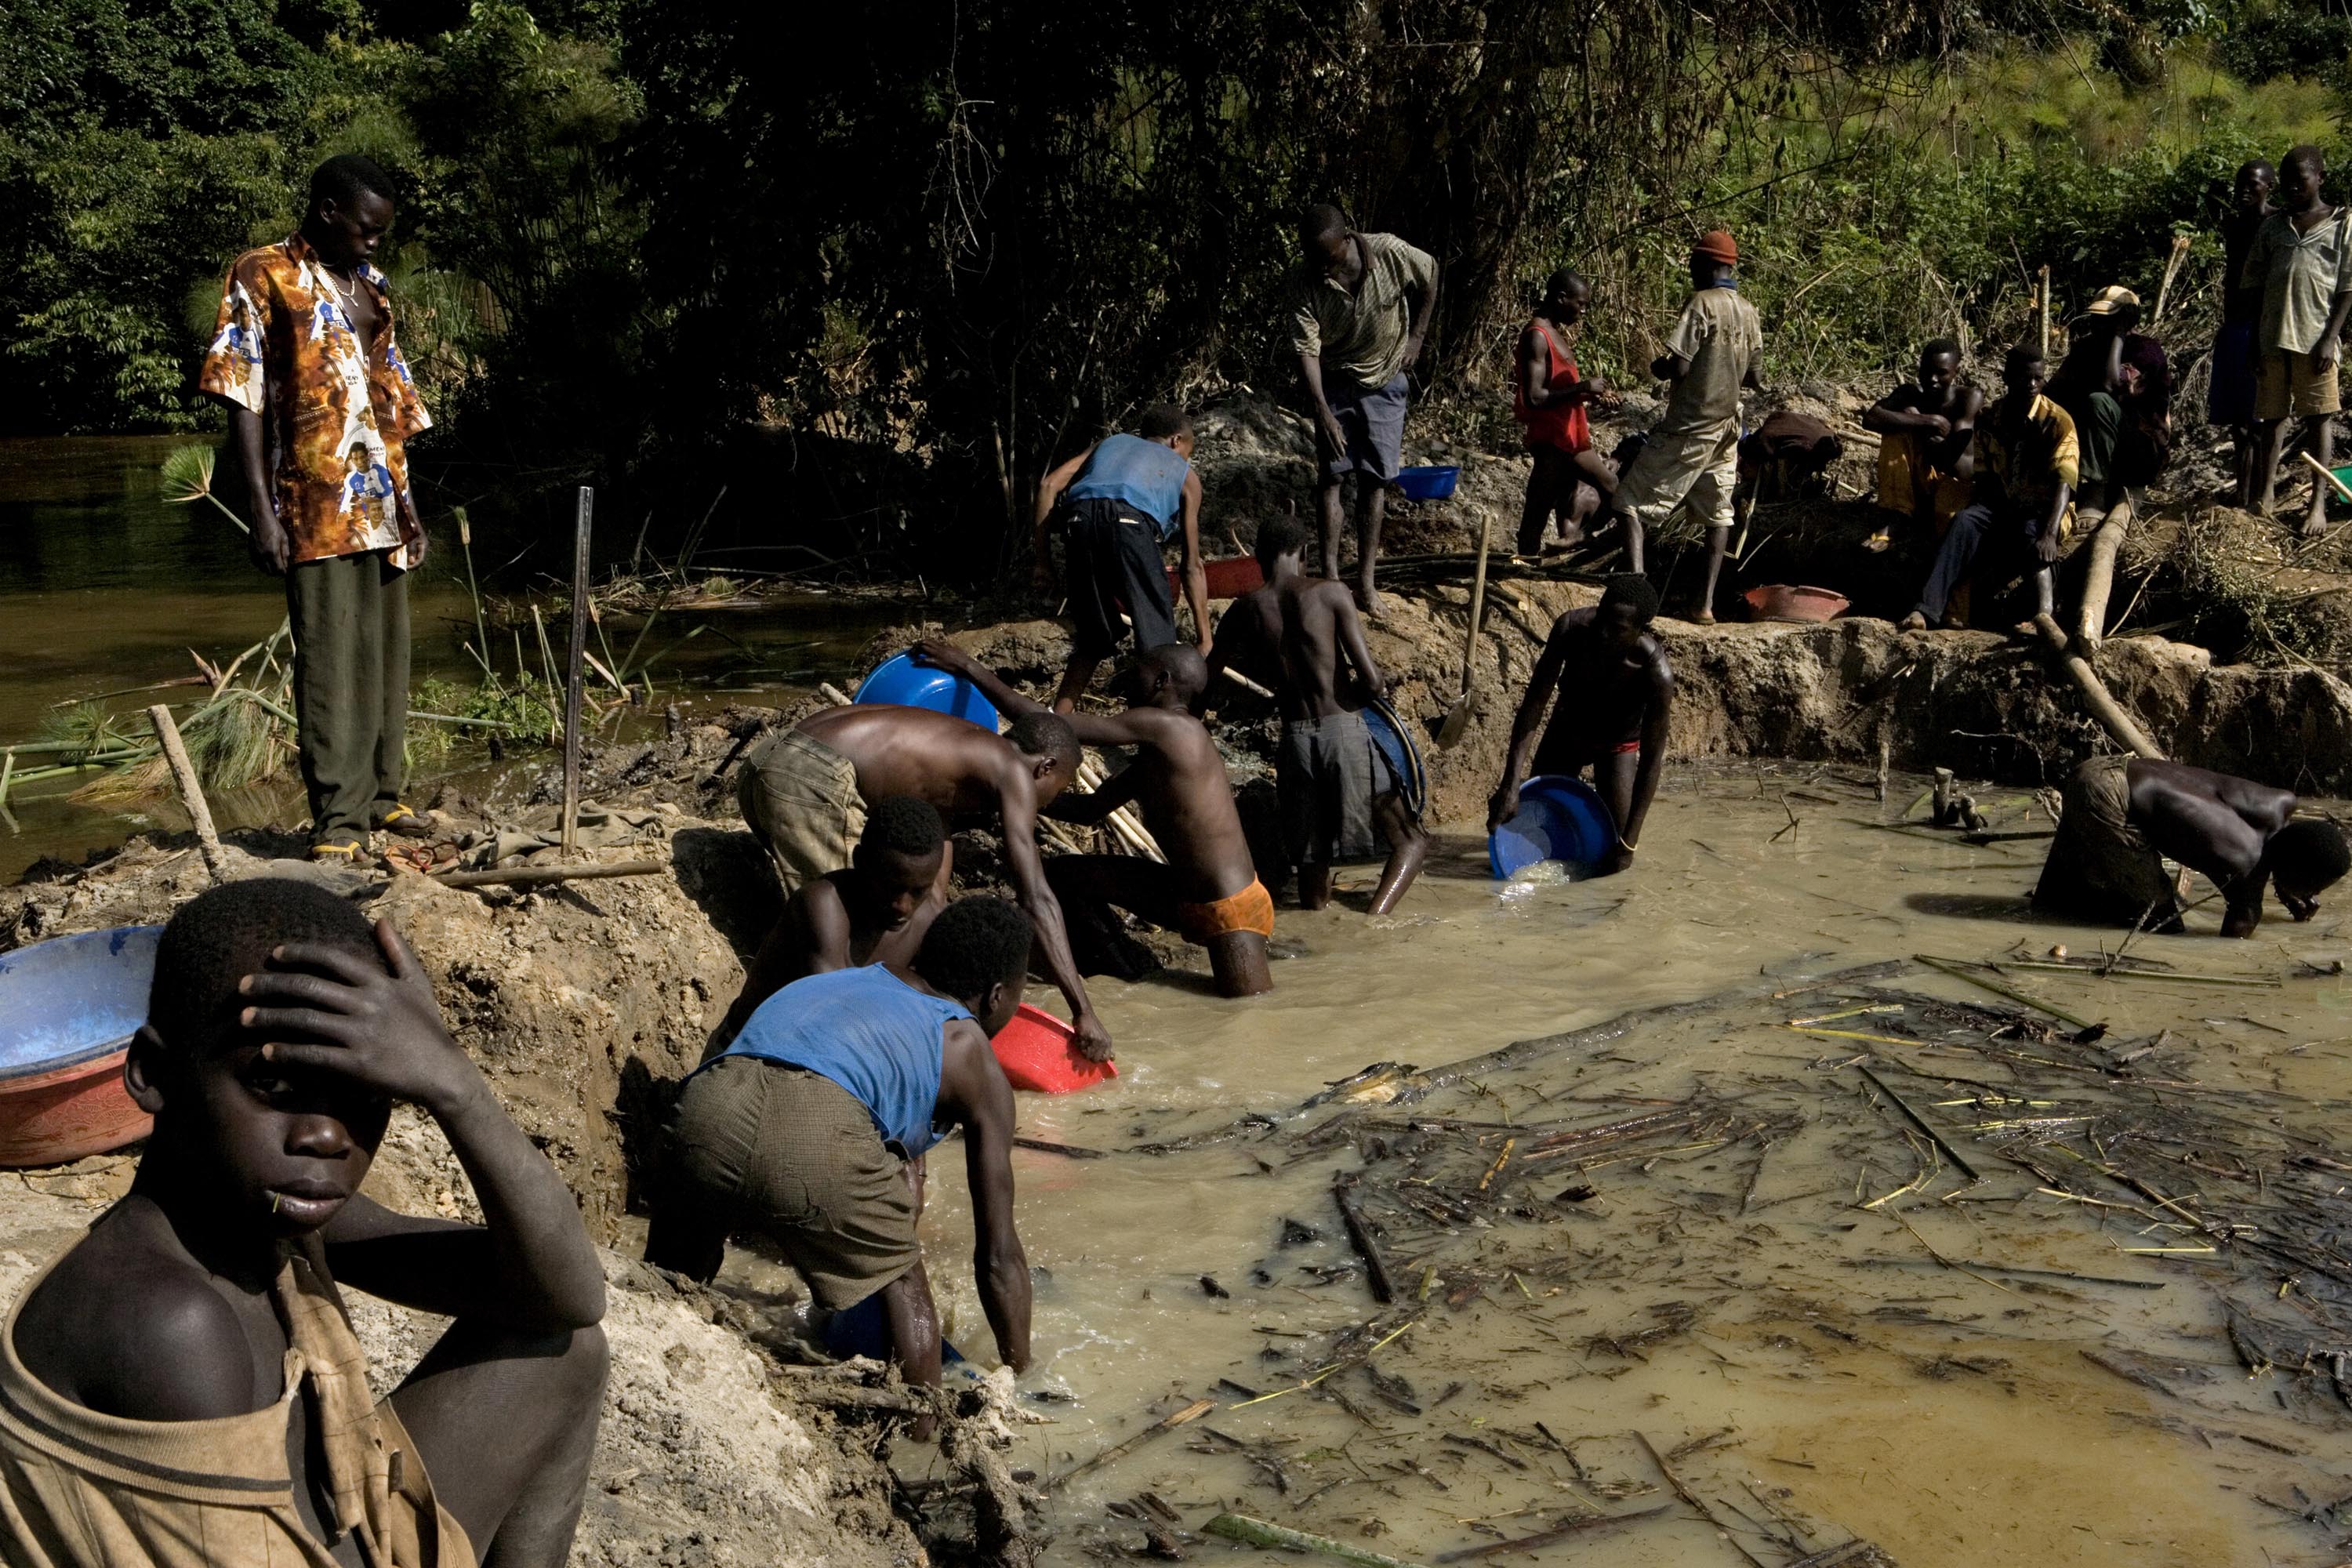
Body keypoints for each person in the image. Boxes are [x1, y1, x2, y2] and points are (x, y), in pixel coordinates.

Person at [0, 878, 608, 1568]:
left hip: (336, 1536)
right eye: (275, 1089)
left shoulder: (258, 1219)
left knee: (563, 1351)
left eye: (369, 1096)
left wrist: (455, 1085)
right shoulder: (168, 1321)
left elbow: (567, 1297)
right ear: (152, 1073)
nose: (325, 1136)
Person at [644, 897, 1033, 1411]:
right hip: (814, 1129)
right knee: (904, 1282)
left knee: (671, 1280)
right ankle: (921, 1442)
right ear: (997, 996)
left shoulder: (838, 982)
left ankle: (647, 1368)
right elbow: (999, 1255)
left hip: (704, 1108)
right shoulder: (966, 1045)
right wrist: (1018, 1371)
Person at [199, 155, 437, 863]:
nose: (373, 243)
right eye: (366, 229)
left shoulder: (372, 286)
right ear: (329, 210)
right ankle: (339, 820)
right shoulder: (263, 273)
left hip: (382, 495)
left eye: (381, 233)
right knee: (331, 658)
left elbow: (391, 398)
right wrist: (261, 511)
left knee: (385, 654)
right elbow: (242, 391)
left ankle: (384, 796)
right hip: (314, 499)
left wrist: (411, 502)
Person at [736, 702, 1113, 1059]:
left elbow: (933, 901)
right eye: (1060, 789)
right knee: (855, 925)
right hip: (809, 773)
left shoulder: (959, 760)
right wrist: (1083, 1011)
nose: (1048, 803)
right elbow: (1037, 897)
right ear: (1044, 768)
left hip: (769, 758)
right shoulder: (1012, 769)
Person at [918, 638, 1274, 998]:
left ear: (1161, 681)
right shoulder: (1159, 755)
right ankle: (1128, 977)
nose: (1126, 685)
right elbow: (1089, 811)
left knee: (1247, 1009)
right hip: (1182, 892)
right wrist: (1006, 798)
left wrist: (969, 667)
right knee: (1064, 876)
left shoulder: (1172, 728)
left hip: (1230, 907)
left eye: (1138, 673)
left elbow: (1047, 723)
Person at [1206, 515, 1429, 914]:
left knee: (1311, 860)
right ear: (1304, 553)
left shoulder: (1243, 610)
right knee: (1410, 840)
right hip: (1343, 732)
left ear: (1258, 557)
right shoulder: (1330, 593)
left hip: (1295, 741)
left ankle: (1319, 920)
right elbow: (1374, 682)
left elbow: (1207, 681)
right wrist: (1359, 693)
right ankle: (1374, 922)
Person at [1602, 230, 1763, 624]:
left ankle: (1636, 593)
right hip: (1727, 427)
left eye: (1693, 263)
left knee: (1628, 502)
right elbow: (1755, 377)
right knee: (1718, 516)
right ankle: (1704, 605)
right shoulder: (1748, 310)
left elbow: (1680, 366)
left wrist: (1661, 367)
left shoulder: (1701, 303)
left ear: (1709, 265)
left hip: (1691, 426)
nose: (1690, 270)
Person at [713, 795, 955, 1049]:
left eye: (918, 891)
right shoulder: (822, 905)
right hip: (745, 1054)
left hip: (828, 1060)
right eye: (890, 887)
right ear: (860, 861)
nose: (902, 906)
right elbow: (833, 1014)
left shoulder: (931, 918)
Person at [1292, 205, 1439, 615]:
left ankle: (1368, 584)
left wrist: (1417, 336)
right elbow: (1307, 350)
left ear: (1347, 240)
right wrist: (1321, 410)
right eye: (1312, 258)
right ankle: (1333, 580)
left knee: (1375, 483)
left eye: (1328, 258)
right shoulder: (1305, 280)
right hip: (1335, 381)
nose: (1320, 266)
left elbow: (1431, 274)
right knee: (1331, 478)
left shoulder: (1390, 252)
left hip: (1385, 380)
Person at [2033, 757, 2350, 938]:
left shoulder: (2280, 802)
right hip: (2110, 800)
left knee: (2055, 899)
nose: (2308, 895)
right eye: (2308, 886)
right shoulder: (2246, 866)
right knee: (2164, 924)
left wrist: (2285, 885)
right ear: (2292, 869)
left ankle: (2040, 919)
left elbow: (2280, 847)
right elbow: (2236, 937)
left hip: (2106, 768)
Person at [1486, 575, 1673, 877]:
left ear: (1641, 631)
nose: (1603, 633)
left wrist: (1630, 843)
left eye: (1618, 629)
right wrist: (1511, 782)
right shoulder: (1571, 629)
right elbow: (1534, 704)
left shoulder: (1655, 673)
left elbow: (1651, 762)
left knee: (1614, 852)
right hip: (1567, 732)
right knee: (1535, 821)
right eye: (1602, 619)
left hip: (1618, 745)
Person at [1030, 405, 1210, 712]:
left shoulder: (1110, 443)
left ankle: (1057, 717)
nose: (1185, 460)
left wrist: (1043, 562)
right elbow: (1191, 565)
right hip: (1130, 524)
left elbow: (1049, 485)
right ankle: (1154, 734)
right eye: (1187, 451)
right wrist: (1205, 638)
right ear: (1176, 441)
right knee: (1159, 647)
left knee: (1095, 636)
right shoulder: (1187, 476)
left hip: (1079, 521)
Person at [1898, 345, 2078, 633]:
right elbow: (1984, 476)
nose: (2032, 385)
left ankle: (2043, 616)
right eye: (2024, 378)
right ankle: (1927, 610)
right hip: (2005, 503)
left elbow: (2065, 481)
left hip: (2048, 509)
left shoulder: (2056, 421)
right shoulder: (1992, 418)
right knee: (1963, 523)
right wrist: (1984, 515)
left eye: (2038, 378)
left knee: (2033, 537)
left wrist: (2050, 533)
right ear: (2007, 377)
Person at [2251, 145, 2352, 535]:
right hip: (2272, 339)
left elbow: (2347, 288)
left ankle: (2317, 507)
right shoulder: (2274, 227)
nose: (2293, 188)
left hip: (2315, 341)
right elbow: (2255, 286)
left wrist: (2330, 339)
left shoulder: (2342, 224)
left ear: (2320, 178)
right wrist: (2251, 344)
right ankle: (2265, 498)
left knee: (2318, 420)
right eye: (2287, 181)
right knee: (2272, 419)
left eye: (2302, 180)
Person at [1513, 270, 1617, 557]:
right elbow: (1534, 397)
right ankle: (1525, 572)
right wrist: (1583, 386)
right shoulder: (1537, 336)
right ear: (1561, 298)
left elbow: (1558, 390)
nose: (1583, 311)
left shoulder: (1554, 332)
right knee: (1536, 513)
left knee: (1610, 488)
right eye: (1580, 304)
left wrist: (1588, 395)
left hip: (1568, 436)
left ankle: (1581, 539)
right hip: (1553, 441)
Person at [2048, 286, 2171, 517]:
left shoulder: (2146, 351)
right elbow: (2053, 391)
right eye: (2095, 317)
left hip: (2140, 448)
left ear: (2126, 320)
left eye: (2107, 319)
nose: (2096, 324)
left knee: (2099, 401)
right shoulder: (2086, 348)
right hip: (2099, 447)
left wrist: (2119, 336)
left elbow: (2111, 386)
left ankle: (2096, 493)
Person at [1864, 339, 1981, 540]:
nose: (1932, 379)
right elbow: (1872, 418)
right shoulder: (1910, 393)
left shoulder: (1968, 399)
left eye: (1942, 372)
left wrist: (1934, 443)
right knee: (1895, 432)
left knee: (1947, 528)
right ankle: (1897, 515)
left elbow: (1964, 469)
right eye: (1926, 371)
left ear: (1956, 372)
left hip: (1954, 482)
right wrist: (1928, 421)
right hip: (1921, 481)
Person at [2214, 159, 2278, 506]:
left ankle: (2257, 495)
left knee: (2258, 418)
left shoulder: (2279, 223)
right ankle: (2242, 493)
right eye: (2240, 184)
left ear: (2269, 186)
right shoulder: (2234, 226)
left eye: (2253, 184)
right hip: (2234, 327)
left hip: (2262, 328)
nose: (2244, 190)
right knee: (2237, 421)